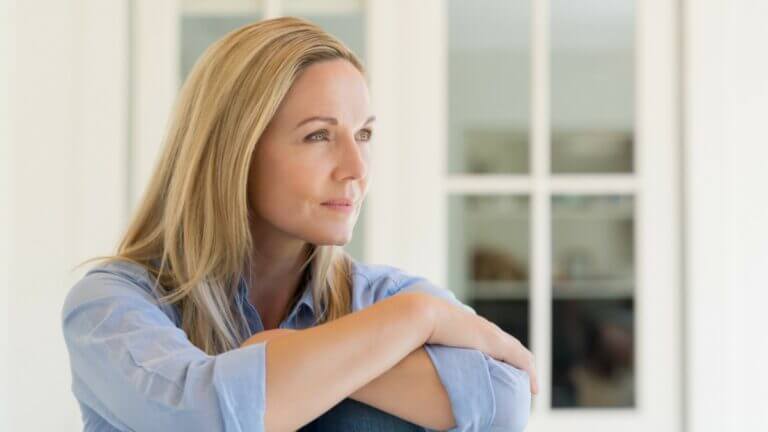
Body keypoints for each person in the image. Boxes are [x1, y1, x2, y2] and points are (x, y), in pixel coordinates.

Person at [60, 16, 537, 432]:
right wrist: (418, 320)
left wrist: (288, 351)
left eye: (364, 134)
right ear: (235, 154)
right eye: (318, 135)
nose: (356, 167)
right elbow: (205, 416)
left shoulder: (379, 295)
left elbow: (505, 400)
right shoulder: (110, 306)